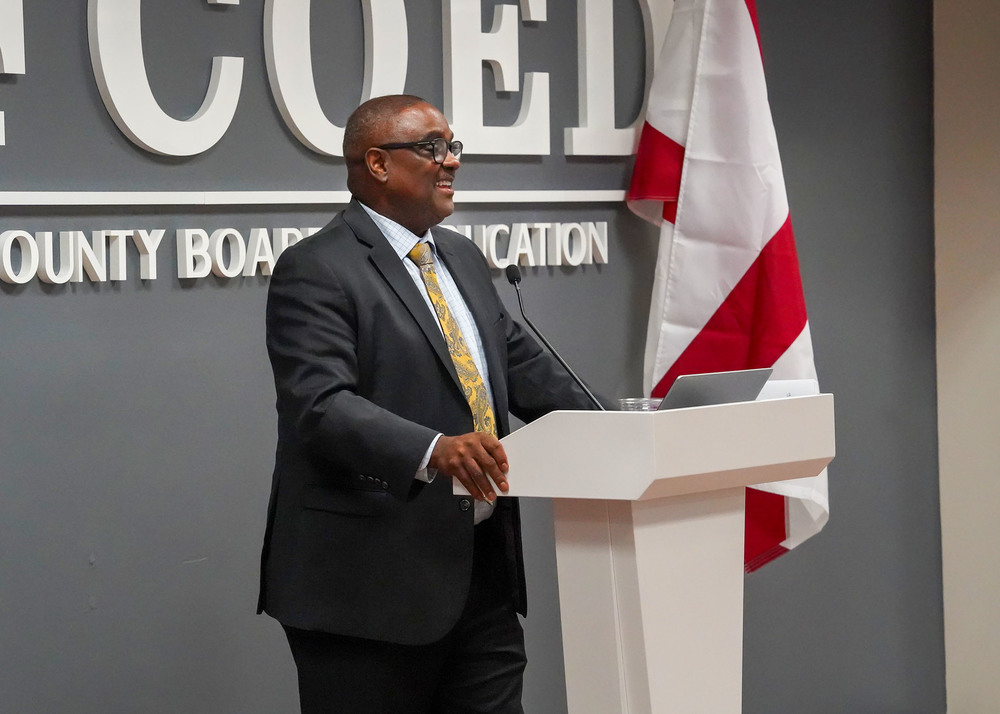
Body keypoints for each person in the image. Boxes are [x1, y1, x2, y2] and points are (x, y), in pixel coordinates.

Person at [257, 94, 602, 713]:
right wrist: (434, 450)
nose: (451, 162)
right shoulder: (316, 268)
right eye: (431, 147)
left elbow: (524, 367)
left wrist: (619, 427)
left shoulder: (461, 258)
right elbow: (319, 405)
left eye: (453, 147)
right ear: (378, 164)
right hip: (366, 593)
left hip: (480, 577)